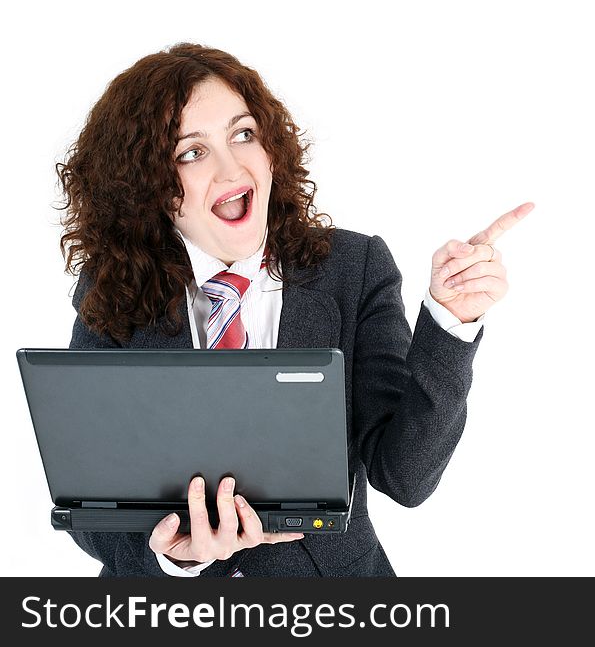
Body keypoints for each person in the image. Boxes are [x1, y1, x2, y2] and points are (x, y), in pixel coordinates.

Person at [58, 42, 533, 577]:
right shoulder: (114, 287)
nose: (232, 167)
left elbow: (407, 476)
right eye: (191, 151)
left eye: (243, 134)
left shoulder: (353, 268)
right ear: (149, 188)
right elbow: (92, 511)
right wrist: (175, 556)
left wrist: (450, 322)